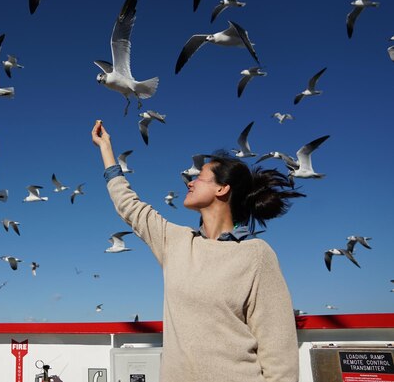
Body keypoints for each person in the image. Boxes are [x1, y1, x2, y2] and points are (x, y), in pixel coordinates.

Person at [91, 120, 301, 382]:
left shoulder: (256, 254)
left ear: (222, 189)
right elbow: (129, 206)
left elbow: (279, 352)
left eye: (199, 177)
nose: (189, 182)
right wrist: (106, 148)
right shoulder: (176, 242)